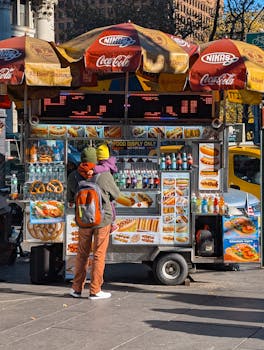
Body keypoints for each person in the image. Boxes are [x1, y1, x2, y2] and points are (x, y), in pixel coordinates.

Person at [67, 146, 121, 300]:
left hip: (83, 220)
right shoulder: (104, 175)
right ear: (95, 160)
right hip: (102, 221)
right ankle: (95, 290)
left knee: (82, 254)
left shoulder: (73, 176)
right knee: (98, 254)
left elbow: (70, 199)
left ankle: (76, 288)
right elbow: (116, 194)